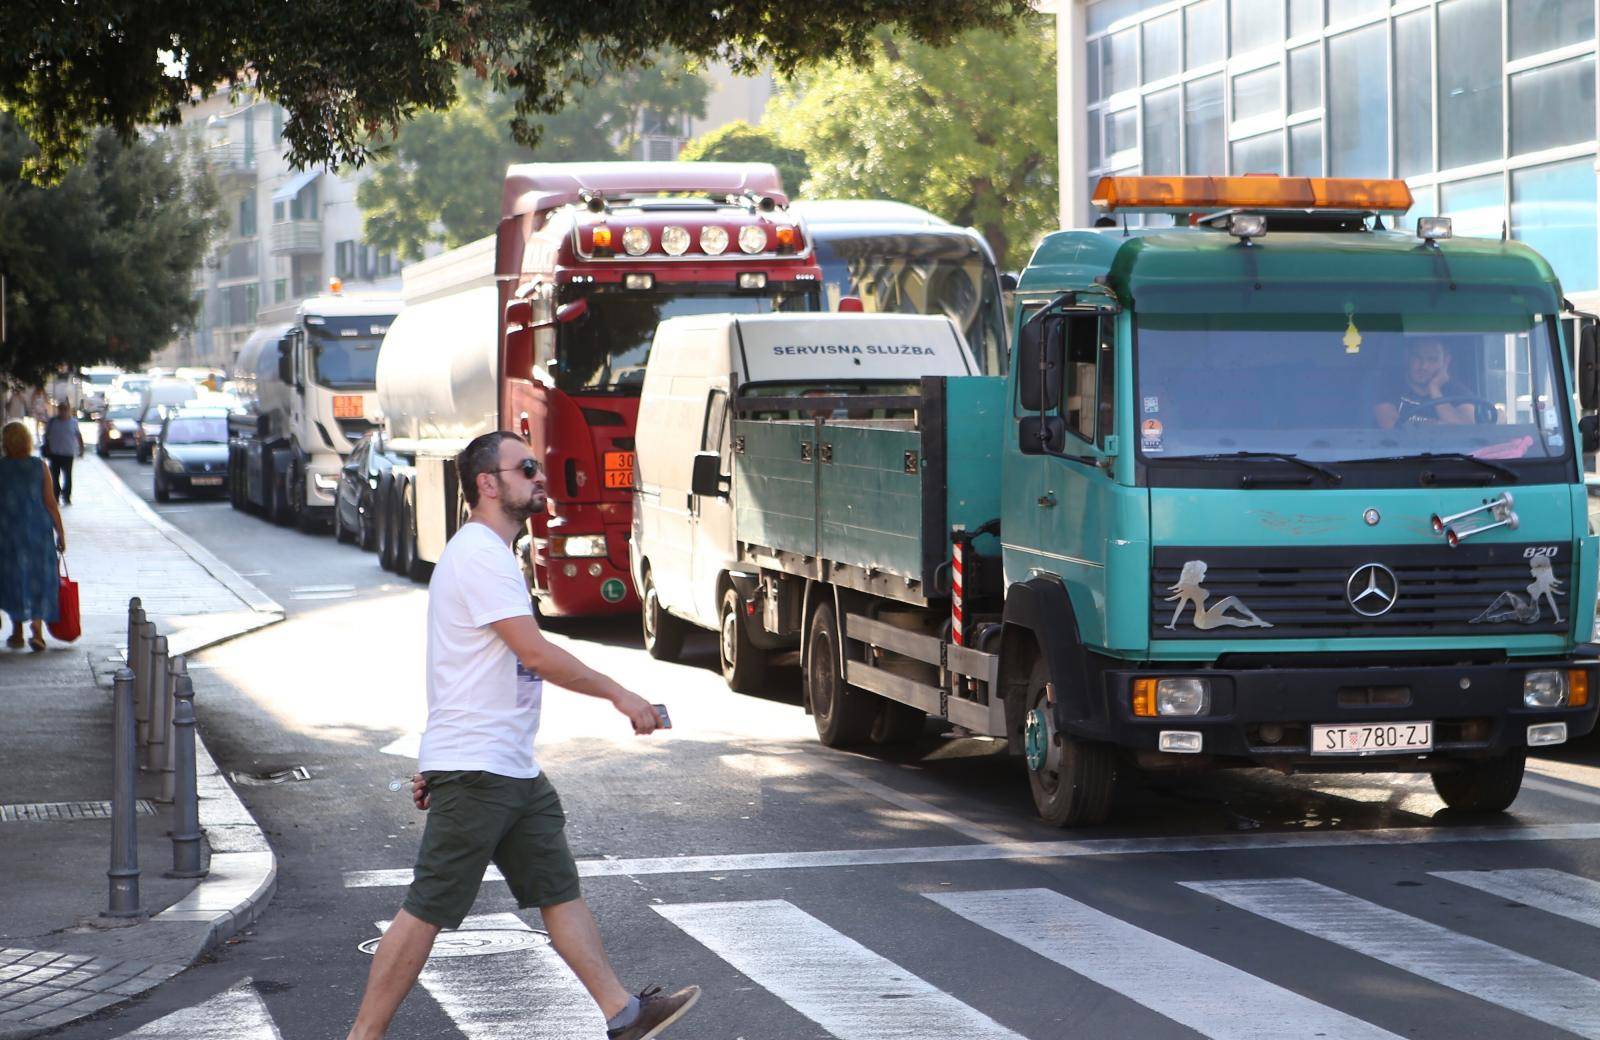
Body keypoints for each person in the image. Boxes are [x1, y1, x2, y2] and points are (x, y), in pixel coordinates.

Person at [347, 430, 699, 1040]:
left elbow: (468, 670)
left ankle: (623, 1012)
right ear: (488, 483)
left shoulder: (492, 555)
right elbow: (534, 654)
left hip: (507, 767)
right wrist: (621, 694)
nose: (541, 477)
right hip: (480, 770)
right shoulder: (480, 554)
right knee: (428, 908)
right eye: (527, 468)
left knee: (557, 890)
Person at [0, 420, 64, 651]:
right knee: (39, 577)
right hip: (38, 533)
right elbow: (50, 503)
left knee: (14, 578)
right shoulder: (39, 466)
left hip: (9, 535)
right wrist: (61, 533)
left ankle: (17, 631)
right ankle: (37, 630)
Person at [1373, 338, 1477, 428]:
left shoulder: (1458, 392)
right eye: (1418, 357)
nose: (1424, 366)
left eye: (1432, 360)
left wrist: (1435, 390)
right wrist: (1439, 426)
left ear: (1446, 361)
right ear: (1407, 356)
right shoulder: (1388, 384)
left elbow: (1466, 430)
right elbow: (1390, 426)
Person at [42, 401, 84, 505]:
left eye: (65, 410)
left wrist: (81, 449)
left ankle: (67, 496)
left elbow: (79, 436)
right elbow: (46, 436)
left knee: (68, 476)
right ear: (58, 410)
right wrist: (47, 447)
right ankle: (56, 495)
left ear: (68, 411)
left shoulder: (73, 422)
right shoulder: (52, 422)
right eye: (61, 410)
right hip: (55, 453)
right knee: (54, 477)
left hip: (68, 453)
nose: (63, 412)